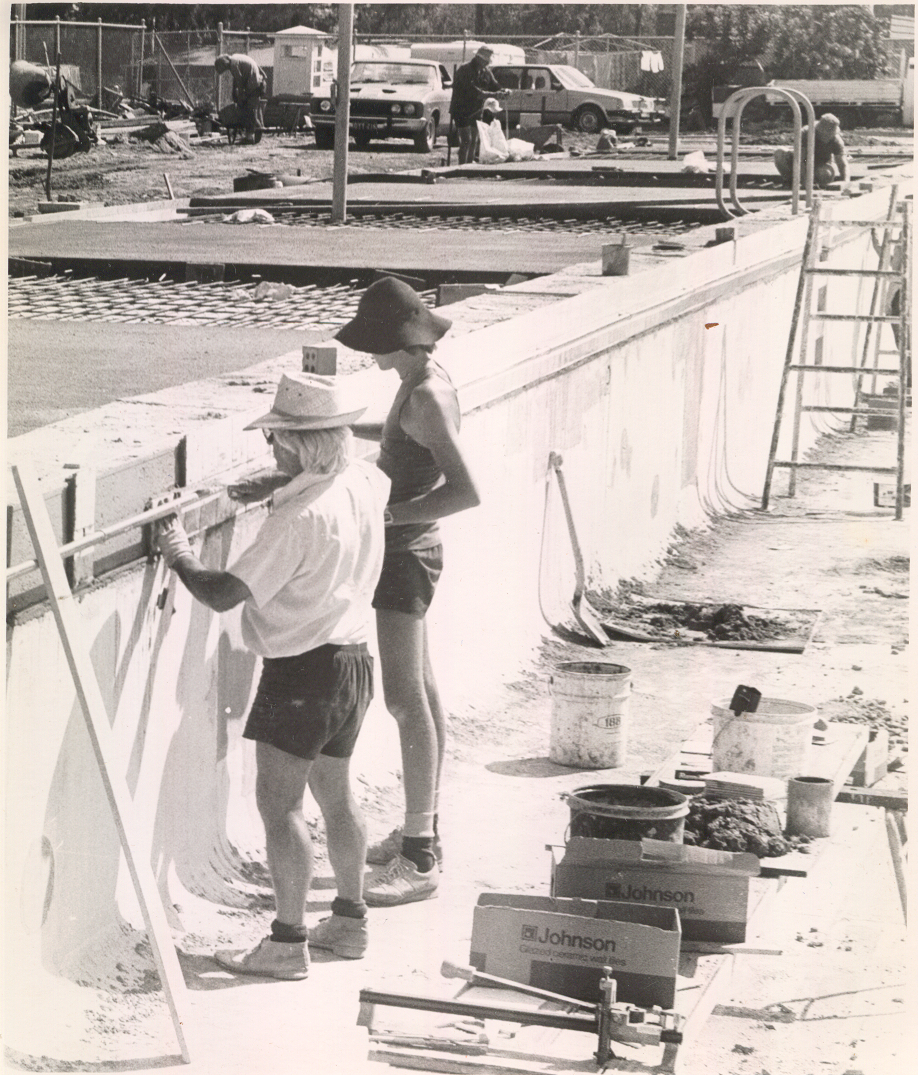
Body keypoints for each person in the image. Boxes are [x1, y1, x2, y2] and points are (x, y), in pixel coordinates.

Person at [157, 372, 390, 978]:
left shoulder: (298, 521)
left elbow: (221, 593)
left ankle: (287, 944)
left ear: (297, 444)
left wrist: (178, 550)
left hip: (303, 672)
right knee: (337, 798)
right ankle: (349, 922)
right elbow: (333, 474)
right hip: (355, 662)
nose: (272, 451)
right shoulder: (363, 480)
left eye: (279, 443)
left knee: (279, 807)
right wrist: (278, 482)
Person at [335, 277, 481, 906]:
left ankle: (419, 857)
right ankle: (425, 831)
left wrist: (381, 517)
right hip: (408, 553)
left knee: (402, 699)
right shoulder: (422, 383)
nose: (371, 356)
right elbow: (403, 444)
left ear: (402, 343)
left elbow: (465, 491)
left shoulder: (424, 397)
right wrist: (344, 430)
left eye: (376, 346)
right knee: (421, 691)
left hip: (405, 556)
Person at [449, 46, 509, 164]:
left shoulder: (485, 71)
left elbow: (494, 85)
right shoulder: (465, 70)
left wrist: (504, 91)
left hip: (476, 110)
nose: (487, 63)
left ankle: (469, 165)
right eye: (486, 60)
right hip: (461, 109)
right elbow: (475, 92)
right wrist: (495, 95)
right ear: (479, 58)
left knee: (474, 140)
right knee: (466, 140)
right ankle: (462, 166)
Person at [774, 113, 848, 190]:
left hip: (820, 166)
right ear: (819, 131)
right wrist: (805, 183)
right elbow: (801, 159)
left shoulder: (836, 140)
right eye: (825, 135)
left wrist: (846, 181)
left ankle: (818, 183)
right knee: (779, 153)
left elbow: (842, 163)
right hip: (802, 162)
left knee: (825, 174)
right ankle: (790, 182)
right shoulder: (805, 133)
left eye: (830, 135)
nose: (827, 137)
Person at [214, 53, 267, 144]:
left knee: (249, 111)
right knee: (250, 110)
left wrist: (240, 97)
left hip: (253, 85)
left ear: (223, 64)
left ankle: (250, 138)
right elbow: (238, 80)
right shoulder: (236, 58)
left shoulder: (233, 65)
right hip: (257, 81)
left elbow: (239, 82)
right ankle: (250, 135)